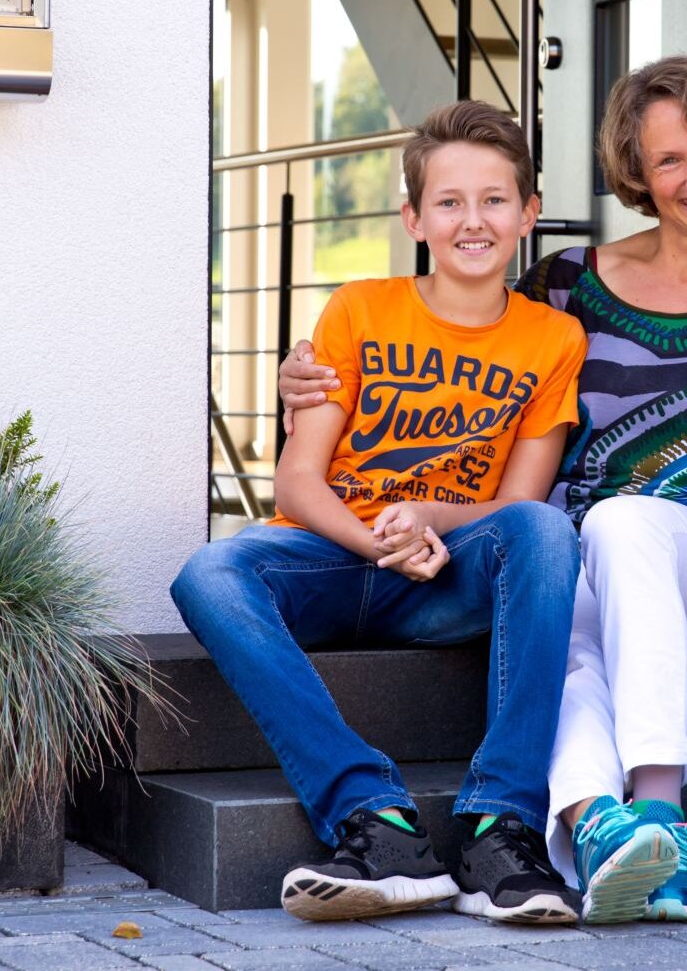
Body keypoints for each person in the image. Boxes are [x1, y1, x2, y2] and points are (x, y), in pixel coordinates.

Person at [280, 56, 687, 924]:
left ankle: (663, 811)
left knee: (621, 526)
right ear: (637, 174)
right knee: (567, 623)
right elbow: (457, 343)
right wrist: (298, 376)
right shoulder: (564, 283)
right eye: (668, 159)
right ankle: (598, 827)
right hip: (568, 542)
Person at [171, 101, 588, 925]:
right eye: (449, 201)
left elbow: (518, 505)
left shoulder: (553, 338)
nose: (473, 220)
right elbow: (296, 482)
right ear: (413, 217)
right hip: (333, 557)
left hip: (444, 573)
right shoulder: (359, 309)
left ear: (529, 213)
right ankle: (377, 822)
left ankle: (500, 828)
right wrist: (376, 539)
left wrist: (429, 517)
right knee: (210, 571)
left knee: (545, 532)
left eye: (495, 199)